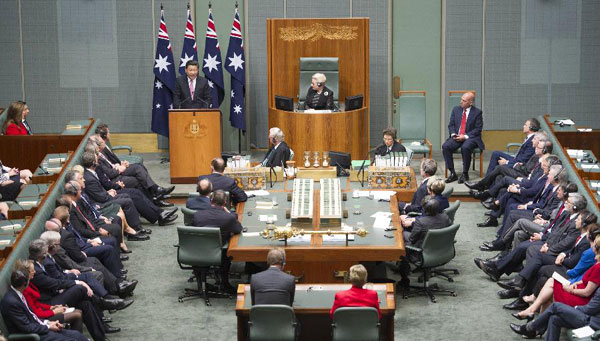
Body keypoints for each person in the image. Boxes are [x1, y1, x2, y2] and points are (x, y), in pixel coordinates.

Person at [0, 267, 88, 341]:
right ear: (25, 284)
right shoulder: (12, 302)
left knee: (78, 335)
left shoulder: (19, 293)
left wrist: (49, 322)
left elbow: (32, 315)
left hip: (39, 326)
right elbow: (26, 327)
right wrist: (48, 327)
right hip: (33, 335)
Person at [191, 190, 243, 293]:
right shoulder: (228, 218)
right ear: (225, 203)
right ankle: (224, 283)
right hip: (219, 253)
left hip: (197, 250)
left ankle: (201, 284)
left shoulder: (197, 215)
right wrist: (230, 214)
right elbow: (238, 229)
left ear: (210, 201)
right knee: (227, 248)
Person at [17, 259, 85, 334]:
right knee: (77, 315)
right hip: (42, 318)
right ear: (27, 273)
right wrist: (53, 312)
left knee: (79, 311)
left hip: (45, 311)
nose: (35, 272)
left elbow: (37, 303)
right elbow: (34, 313)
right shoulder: (25, 290)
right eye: (32, 270)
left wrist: (51, 307)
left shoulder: (29, 283)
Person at [442, 92, 484, 184]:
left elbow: (478, 129)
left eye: (464, 101)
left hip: (470, 137)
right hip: (457, 136)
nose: (461, 102)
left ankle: (465, 173)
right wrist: (453, 134)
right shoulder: (456, 110)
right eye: (461, 99)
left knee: (465, 147)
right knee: (446, 146)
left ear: (470, 102)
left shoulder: (477, 112)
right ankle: (453, 173)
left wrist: (464, 136)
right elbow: (451, 125)